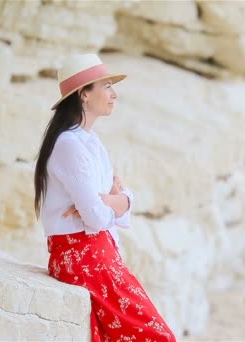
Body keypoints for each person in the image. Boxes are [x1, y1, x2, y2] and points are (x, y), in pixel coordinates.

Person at [33, 53, 176, 342]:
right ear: (84, 94)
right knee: (159, 337)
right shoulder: (69, 145)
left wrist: (117, 200)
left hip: (99, 252)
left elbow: (115, 203)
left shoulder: (92, 143)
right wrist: (116, 202)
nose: (115, 94)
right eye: (107, 86)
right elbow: (97, 218)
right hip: (82, 255)